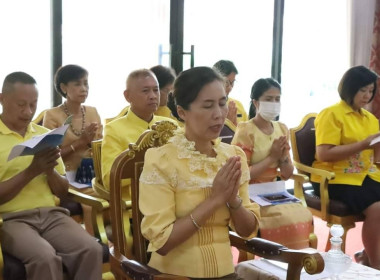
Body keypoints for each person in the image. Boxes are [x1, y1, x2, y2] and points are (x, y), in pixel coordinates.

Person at [139, 66, 260, 279]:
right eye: (207, 106)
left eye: (222, 103)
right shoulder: (161, 160)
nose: (218, 114)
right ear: (182, 112)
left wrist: (232, 200)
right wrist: (214, 200)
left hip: (226, 274)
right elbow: (162, 243)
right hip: (174, 275)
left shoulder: (233, 156)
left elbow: (247, 230)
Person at [0, 71, 102, 280]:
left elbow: (63, 192)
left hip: (51, 214)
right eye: (21, 105)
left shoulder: (43, 136)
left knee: (91, 248)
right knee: (45, 258)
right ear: (2, 99)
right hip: (10, 219)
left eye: (33, 104)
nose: (28, 112)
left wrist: (48, 169)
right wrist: (32, 171)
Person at [311, 65, 380, 269]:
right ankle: (376, 266)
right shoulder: (331, 114)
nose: (368, 95)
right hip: (335, 178)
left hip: (365, 175)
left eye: (371, 90)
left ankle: (366, 255)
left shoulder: (370, 119)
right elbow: (324, 153)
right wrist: (363, 144)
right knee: (377, 209)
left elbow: (374, 156)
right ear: (350, 89)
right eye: (363, 90)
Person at [231, 78, 313, 249]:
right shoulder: (246, 130)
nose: (274, 103)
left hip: (275, 192)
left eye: (277, 99)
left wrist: (282, 157)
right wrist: (271, 157)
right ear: (256, 102)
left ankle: (293, 265)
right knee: (282, 218)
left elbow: (287, 173)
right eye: (269, 99)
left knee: (301, 213)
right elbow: (241, 174)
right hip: (250, 192)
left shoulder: (281, 128)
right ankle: (272, 263)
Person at [43, 64, 103, 235]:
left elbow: (99, 147)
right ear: (63, 88)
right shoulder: (52, 115)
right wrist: (81, 142)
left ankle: (118, 246)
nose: (84, 89)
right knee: (90, 203)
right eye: (78, 84)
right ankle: (95, 244)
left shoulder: (92, 112)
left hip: (91, 173)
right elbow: (50, 155)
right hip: (67, 177)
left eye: (86, 83)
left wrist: (93, 142)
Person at [101, 69, 175, 199]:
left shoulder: (170, 125)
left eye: (156, 90)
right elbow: (109, 179)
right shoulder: (114, 130)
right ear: (127, 96)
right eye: (145, 91)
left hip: (173, 199)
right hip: (135, 206)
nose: (153, 96)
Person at [213, 60, 248, 126]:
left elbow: (247, 133)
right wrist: (228, 123)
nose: (230, 87)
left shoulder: (238, 105)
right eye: (226, 82)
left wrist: (234, 125)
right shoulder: (206, 107)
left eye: (232, 82)